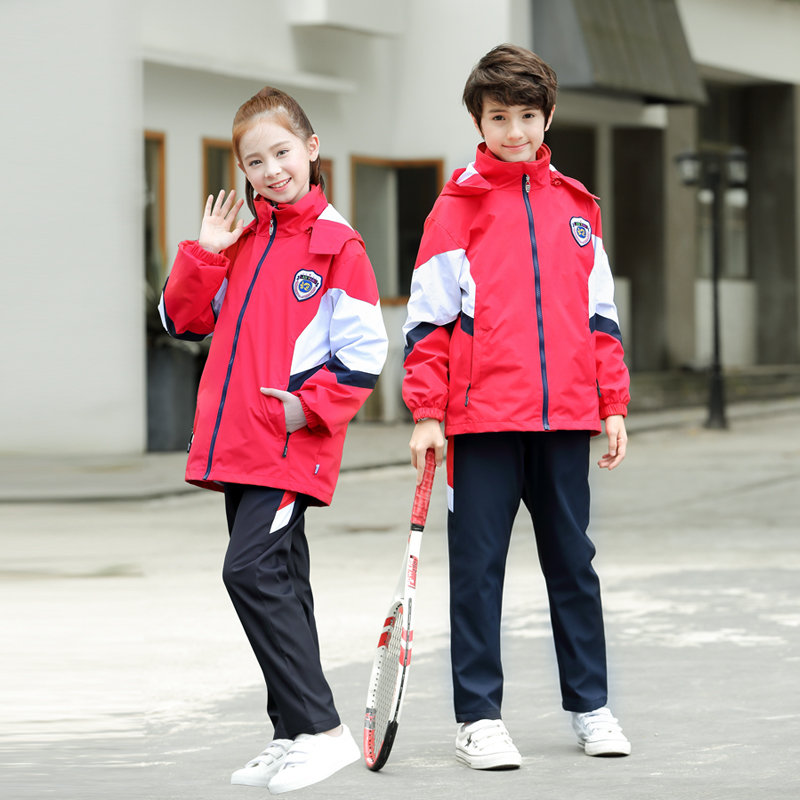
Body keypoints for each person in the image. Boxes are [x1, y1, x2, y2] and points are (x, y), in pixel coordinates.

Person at [402, 44, 632, 769]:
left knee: (574, 564)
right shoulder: (456, 208)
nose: (514, 131)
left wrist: (613, 402)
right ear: (478, 119)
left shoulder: (577, 207)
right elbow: (428, 322)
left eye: (527, 116)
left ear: (548, 116)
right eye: (499, 117)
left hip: (565, 417)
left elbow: (602, 316)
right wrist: (427, 413)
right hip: (480, 423)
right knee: (478, 570)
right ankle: (479, 717)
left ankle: (591, 707)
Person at [159, 87, 388, 793]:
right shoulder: (244, 242)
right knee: (282, 581)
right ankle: (292, 731)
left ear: (312, 149)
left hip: (288, 445)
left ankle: (322, 730)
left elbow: (364, 351)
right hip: (242, 449)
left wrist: (307, 409)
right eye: (253, 161)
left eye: (281, 153)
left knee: (249, 571)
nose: (269, 170)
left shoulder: (337, 246)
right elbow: (179, 321)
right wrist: (205, 251)